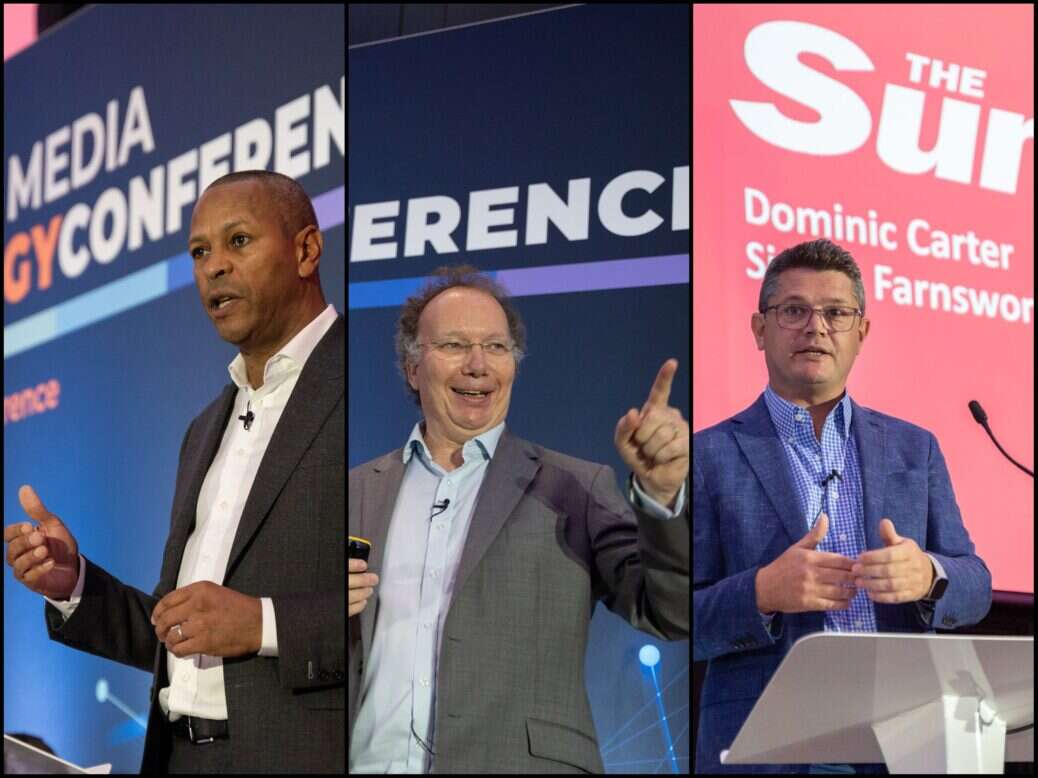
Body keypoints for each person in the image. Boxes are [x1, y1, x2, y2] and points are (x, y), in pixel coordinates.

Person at [3, 170, 345, 774]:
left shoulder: (361, 385)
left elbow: (415, 610)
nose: (213, 267)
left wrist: (263, 624)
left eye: (238, 241)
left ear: (305, 250)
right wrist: (75, 586)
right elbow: (175, 627)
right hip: (178, 758)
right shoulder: (203, 430)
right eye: (198, 251)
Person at [348, 265, 690, 773]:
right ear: (413, 368)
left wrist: (662, 496)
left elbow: (671, 612)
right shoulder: (355, 491)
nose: (478, 365)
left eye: (497, 347)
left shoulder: (575, 486)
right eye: (454, 346)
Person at [693, 238, 992, 774]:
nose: (816, 327)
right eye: (793, 311)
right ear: (760, 330)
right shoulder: (707, 456)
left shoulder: (912, 448)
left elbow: (975, 585)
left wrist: (928, 574)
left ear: (862, 332)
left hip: (901, 738)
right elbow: (675, 618)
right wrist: (762, 592)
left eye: (836, 312)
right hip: (761, 743)